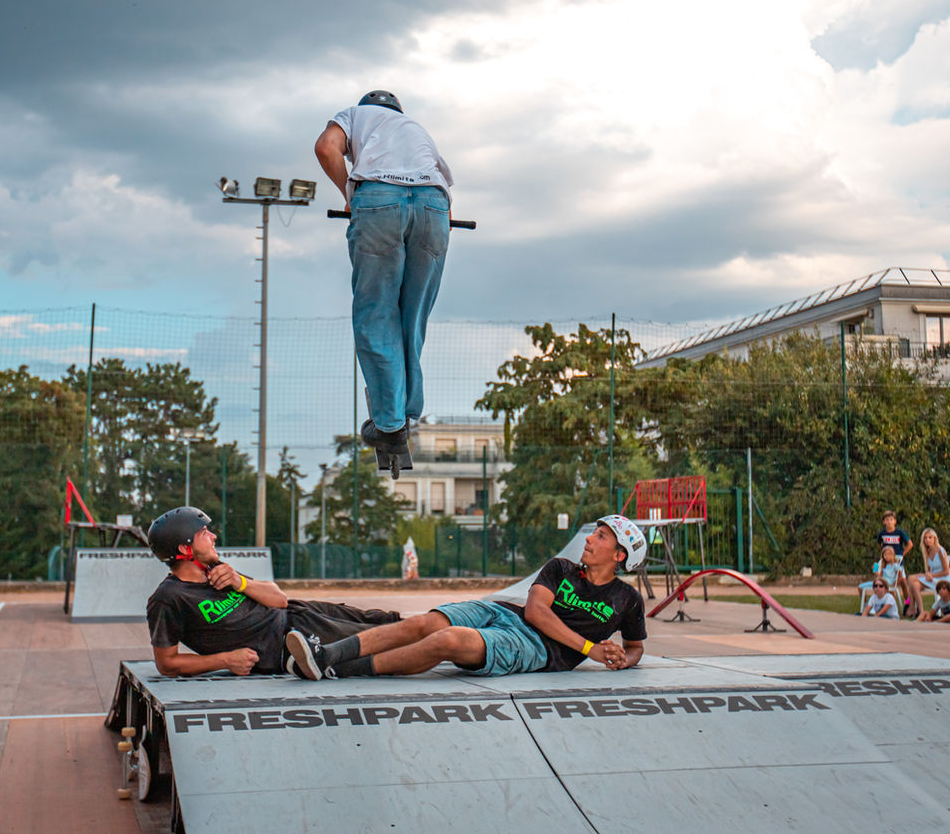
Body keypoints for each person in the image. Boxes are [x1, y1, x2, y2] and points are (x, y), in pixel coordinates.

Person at [284, 516, 648, 681]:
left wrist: (623, 661)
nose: (589, 539)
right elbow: (536, 611)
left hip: (537, 650)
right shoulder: (561, 568)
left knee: (446, 641)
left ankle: (337, 670)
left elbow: (635, 645)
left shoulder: (627, 599)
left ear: (620, 556)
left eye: (601, 537)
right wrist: (591, 648)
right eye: (595, 533)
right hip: (508, 615)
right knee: (427, 622)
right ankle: (328, 655)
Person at [314, 91, 454, 455]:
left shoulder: (355, 114)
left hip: (379, 200)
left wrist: (349, 193)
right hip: (435, 205)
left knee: (376, 312)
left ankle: (390, 424)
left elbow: (326, 148)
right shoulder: (416, 128)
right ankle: (407, 409)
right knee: (413, 314)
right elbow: (439, 182)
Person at [144, 506, 401, 676]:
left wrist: (239, 581)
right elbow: (167, 663)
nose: (213, 537)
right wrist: (224, 660)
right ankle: (441, 644)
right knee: (382, 637)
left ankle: (440, 622)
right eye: (203, 533)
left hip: (298, 612)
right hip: (291, 641)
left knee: (379, 619)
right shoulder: (169, 598)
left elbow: (279, 599)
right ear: (185, 549)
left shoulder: (217, 571)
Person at [874, 511, 915, 611]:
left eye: (891, 519)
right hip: (886, 561)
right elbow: (879, 544)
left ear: (895, 521)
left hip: (897, 562)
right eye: (887, 520)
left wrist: (902, 555)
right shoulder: (882, 534)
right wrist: (884, 554)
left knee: (903, 582)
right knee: (885, 580)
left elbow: (910, 544)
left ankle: (908, 603)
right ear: (883, 522)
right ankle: (885, 603)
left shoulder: (899, 533)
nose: (889, 522)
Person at [909, 528, 950, 618]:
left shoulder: (940, 550)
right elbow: (928, 570)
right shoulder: (928, 551)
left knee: (911, 579)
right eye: (925, 538)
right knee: (914, 584)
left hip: (942, 579)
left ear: (934, 539)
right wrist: (928, 574)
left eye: (930, 537)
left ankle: (912, 607)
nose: (927, 540)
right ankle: (921, 611)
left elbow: (946, 571)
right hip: (932, 578)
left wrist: (932, 575)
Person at [858, 546, 904, 615]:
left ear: (893, 555)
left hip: (887, 583)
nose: (887, 556)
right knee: (860, 587)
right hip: (881, 581)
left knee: (878, 587)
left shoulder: (895, 566)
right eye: (885, 554)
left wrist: (894, 584)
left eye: (889, 554)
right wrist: (875, 571)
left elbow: (900, 577)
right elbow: (880, 577)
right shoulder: (884, 565)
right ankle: (866, 605)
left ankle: (874, 607)